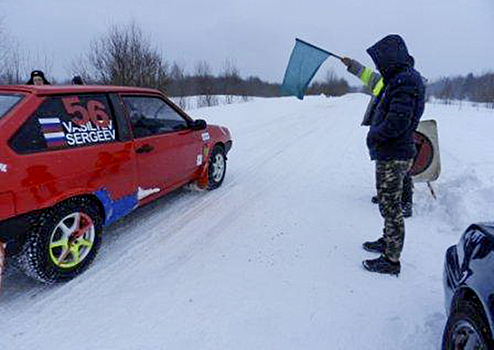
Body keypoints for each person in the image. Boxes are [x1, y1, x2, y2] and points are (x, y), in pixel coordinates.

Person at [346, 35, 425, 275]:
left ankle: (391, 260)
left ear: (391, 57)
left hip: (395, 152)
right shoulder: (399, 78)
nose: (379, 65)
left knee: (391, 207)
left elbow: (398, 121)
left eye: (381, 60)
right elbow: (370, 78)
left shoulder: (406, 81)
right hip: (392, 151)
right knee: (387, 203)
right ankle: (387, 240)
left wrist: (375, 135)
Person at [341, 55, 414, 218]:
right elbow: (364, 73)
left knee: (402, 168)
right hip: (382, 129)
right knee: (387, 165)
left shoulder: (406, 82)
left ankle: (406, 203)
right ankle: (386, 194)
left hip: (397, 132)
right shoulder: (382, 80)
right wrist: (351, 64)